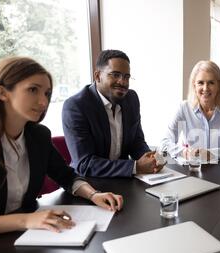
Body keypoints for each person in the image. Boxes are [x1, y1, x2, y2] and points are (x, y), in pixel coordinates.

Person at [0, 57, 123, 236]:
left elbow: (66, 176)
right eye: (33, 90)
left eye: (47, 93)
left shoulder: (38, 136)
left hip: (29, 238)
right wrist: (25, 220)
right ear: (3, 92)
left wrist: (93, 194)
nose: (43, 102)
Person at [62, 49, 163, 178]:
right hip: (90, 184)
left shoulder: (131, 98)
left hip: (124, 179)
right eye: (115, 75)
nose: (123, 82)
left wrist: (152, 159)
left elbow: (136, 142)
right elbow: (84, 164)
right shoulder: (76, 106)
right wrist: (135, 166)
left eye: (126, 76)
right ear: (97, 76)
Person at [160, 60, 220, 161]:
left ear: (218, 85)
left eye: (211, 83)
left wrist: (211, 154)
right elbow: (165, 143)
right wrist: (184, 152)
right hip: (192, 169)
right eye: (200, 83)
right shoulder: (183, 108)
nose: (205, 88)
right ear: (194, 85)